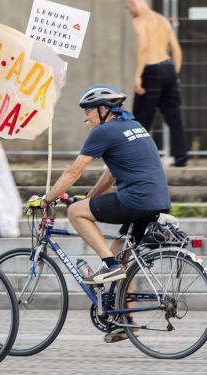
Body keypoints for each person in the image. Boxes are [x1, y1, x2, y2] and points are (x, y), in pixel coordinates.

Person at [27, 85, 171, 290]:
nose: (86, 118)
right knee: (122, 258)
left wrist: (46, 200)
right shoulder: (134, 125)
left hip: (136, 200)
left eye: (88, 111)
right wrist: (91, 196)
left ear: (103, 110)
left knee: (76, 212)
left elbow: (73, 173)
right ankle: (124, 316)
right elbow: (111, 173)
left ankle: (109, 266)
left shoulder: (104, 131)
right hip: (159, 201)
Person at [125, 0, 188, 167]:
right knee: (174, 118)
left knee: (140, 118)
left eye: (128, 7)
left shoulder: (139, 21)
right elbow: (176, 50)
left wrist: (138, 76)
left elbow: (144, 48)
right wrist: (174, 73)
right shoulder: (162, 20)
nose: (128, 11)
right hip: (169, 69)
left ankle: (136, 160)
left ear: (133, 4)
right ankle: (181, 158)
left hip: (151, 70)